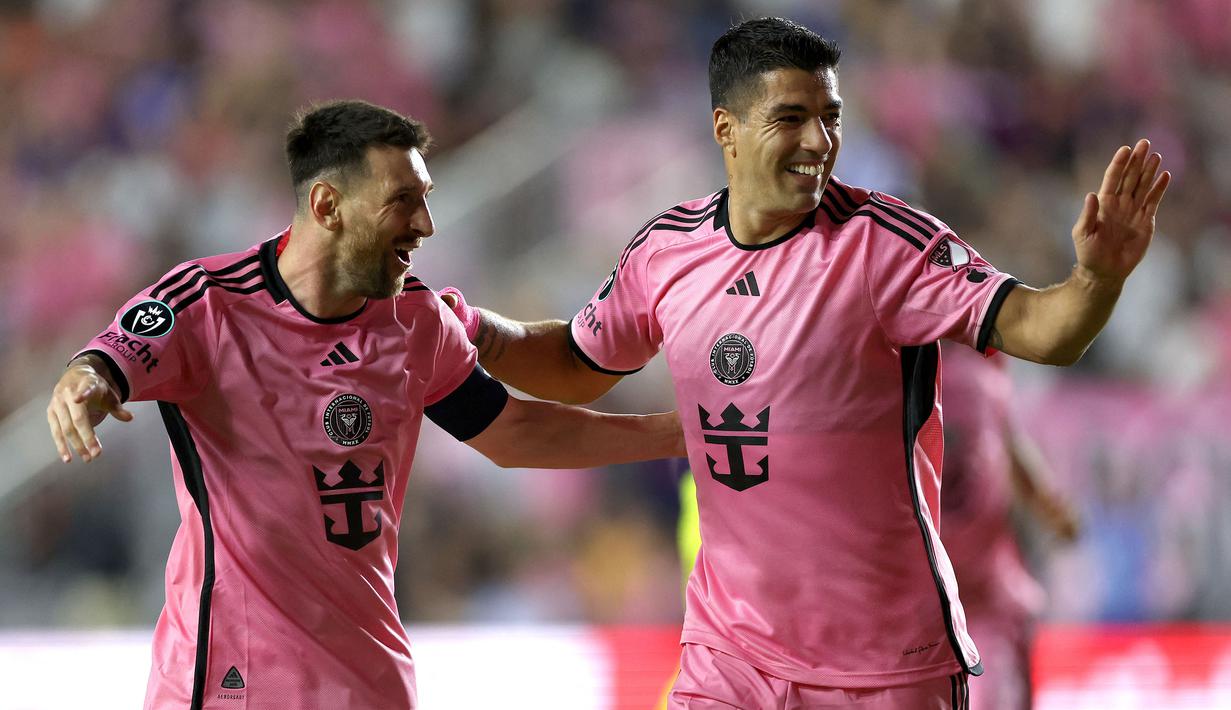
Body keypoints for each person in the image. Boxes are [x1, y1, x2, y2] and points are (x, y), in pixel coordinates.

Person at [440, 15, 1170, 709]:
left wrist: (1096, 279)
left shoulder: (888, 245)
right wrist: (482, 333)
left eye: (832, 116)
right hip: (731, 659)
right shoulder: (666, 252)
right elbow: (577, 362)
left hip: (886, 666)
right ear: (726, 129)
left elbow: (1045, 332)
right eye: (792, 117)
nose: (820, 140)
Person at [44, 99, 684, 710]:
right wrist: (86, 381)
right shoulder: (209, 304)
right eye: (403, 201)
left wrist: (682, 434)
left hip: (370, 685)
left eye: (425, 201)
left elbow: (513, 432)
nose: (425, 226)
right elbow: (112, 359)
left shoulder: (416, 320)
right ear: (327, 205)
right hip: (228, 684)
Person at [938, 344, 1080, 710]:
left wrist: (1046, 498)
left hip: (985, 577)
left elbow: (1007, 433)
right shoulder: (891, 355)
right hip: (923, 576)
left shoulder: (982, 360)